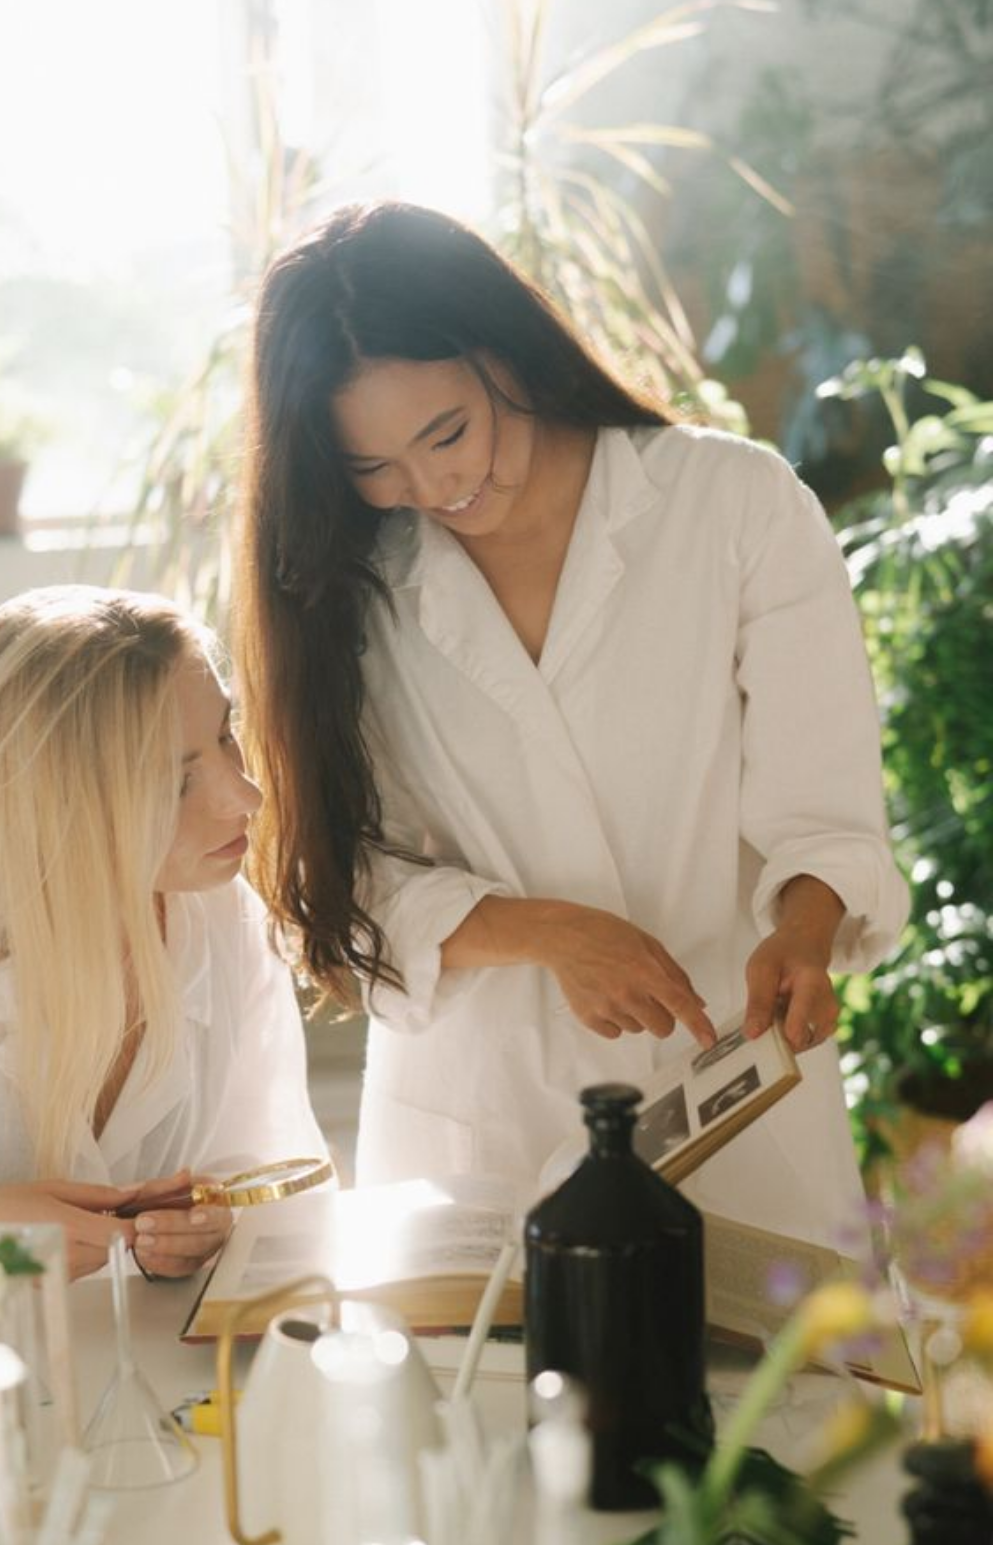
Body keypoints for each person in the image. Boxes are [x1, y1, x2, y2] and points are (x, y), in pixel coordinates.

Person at [233, 200, 909, 1245]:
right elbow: (336, 881)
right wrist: (549, 934)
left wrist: (805, 931)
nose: (434, 485)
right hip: (487, 1121)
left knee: (768, 1406)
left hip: (734, 1097)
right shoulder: (344, 588)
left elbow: (823, 795)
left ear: (502, 353)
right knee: (489, 1402)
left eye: (446, 433)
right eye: (375, 467)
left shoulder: (734, 504)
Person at [0, 585, 327, 1278]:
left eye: (225, 735)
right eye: (175, 783)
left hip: (151, 1364)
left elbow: (275, 1174)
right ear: (57, 803)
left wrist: (214, 1228)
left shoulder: (222, 915)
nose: (246, 797)